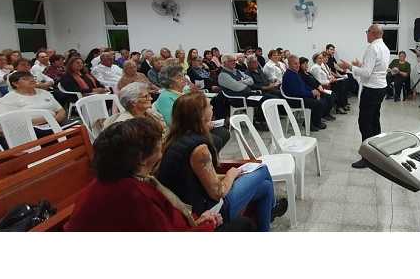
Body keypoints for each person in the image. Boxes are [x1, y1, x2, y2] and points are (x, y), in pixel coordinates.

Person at [65, 118, 254, 232]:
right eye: (158, 143)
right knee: (243, 225)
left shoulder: (111, 180)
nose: (162, 146)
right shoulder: (133, 194)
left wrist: (200, 221)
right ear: (141, 158)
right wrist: (206, 225)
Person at [157, 92, 286, 231]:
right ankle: (272, 208)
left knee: (266, 187)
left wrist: (228, 176)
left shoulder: (174, 139)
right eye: (209, 105)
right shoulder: (199, 149)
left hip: (191, 202)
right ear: (201, 115)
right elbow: (218, 192)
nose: (212, 107)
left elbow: (199, 179)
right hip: (208, 211)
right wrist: (231, 174)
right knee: (262, 169)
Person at [339, 24, 390, 168]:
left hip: (372, 89)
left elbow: (367, 73)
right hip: (380, 87)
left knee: (365, 122)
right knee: (374, 120)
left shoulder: (373, 47)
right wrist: (360, 65)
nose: (366, 34)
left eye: (367, 32)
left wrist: (350, 67)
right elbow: (375, 68)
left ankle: (368, 158)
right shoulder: (384, 47)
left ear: (373, 33)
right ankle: (377, 151)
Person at [155, 64, 231, 151]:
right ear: (169, 82)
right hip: (181, 133)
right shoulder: (165, 97)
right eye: (179, 77)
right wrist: (202, 127)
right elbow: (174, 122)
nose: (183, 78)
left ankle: (210, 155)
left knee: (223, 133)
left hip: (195, 127)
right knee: (217, 139)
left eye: (183, 75)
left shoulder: (185, 91)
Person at [0, 71, 67, 145]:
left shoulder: (44, 93)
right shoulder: (9, 99)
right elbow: (10, 121)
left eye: (32, 78)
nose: (31, 80)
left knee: (71, 130)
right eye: (26, 79)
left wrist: (54, 121)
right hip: (28, 131)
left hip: (54, 124)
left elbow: (61, 110)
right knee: (58, 138)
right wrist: (48, 119)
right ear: (15, 84)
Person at [218, 54, 270, 130]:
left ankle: (259, 120)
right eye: (231, 61)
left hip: (247, 95)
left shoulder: (237, 71)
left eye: (234, 60)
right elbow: (238, 88)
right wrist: (244, 82)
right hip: (237, 99)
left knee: (267, 97)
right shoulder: (223, 75)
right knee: (264, 99)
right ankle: (258, 122)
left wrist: (241, 81)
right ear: (224, 63)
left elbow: (251, 81)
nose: (234, 62)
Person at [282, 55, 329, 131]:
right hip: (294, 100)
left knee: (323, 97)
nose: (298, 65)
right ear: (289, 64)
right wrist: (311, 93)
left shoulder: (295, 73)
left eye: (298, 63)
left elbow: (304, 86)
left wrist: (314, 90)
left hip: (300, 96)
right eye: (295, 64)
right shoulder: (289, 75)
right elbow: (296, 92)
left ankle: (315, 121)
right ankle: (312, 123)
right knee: (318, 103)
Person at [102, 82, 166, 132]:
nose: (151, 98)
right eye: (146, 96)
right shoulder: (126, 125)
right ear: (133, 102)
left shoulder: (150, 112)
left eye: (149, 95)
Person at [298, 56, 336, 121]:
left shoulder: (308, 73)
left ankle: (326, 114)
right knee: (327, 97)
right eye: (304, 64)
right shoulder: (300, 75)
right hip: (313, 91)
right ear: (300, 65)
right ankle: (322, 115)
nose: (306, 65)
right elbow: (306, 85)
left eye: (307, 63)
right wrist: (316, 89)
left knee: (332, 95)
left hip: (319, 89)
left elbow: (316, 81)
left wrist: (319, 86)